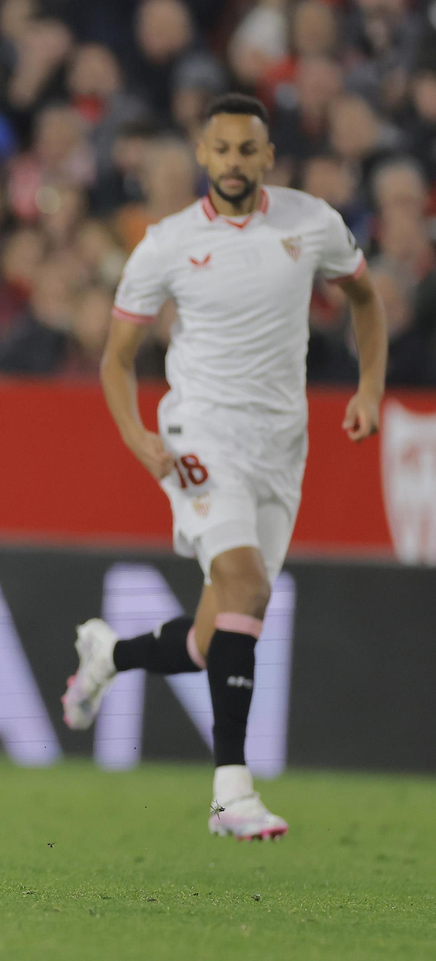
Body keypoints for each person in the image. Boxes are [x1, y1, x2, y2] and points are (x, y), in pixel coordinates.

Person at [61, 95, 387, 840]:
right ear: (202, 157)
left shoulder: (311, 223)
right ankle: (231, 793)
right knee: (243, 583)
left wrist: (370, 388)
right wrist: (138, 435)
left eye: (249, 150)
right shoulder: (165, 243)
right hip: (199, 432)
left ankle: (110, 654)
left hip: (283, 444)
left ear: (268, 157)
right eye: (222, 150)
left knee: (218, 632)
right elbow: (116, 360)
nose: (234, 162)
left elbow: (365, 300)